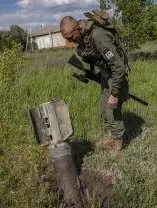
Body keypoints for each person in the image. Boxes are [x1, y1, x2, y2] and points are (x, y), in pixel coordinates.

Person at [60, 14, 129, 156]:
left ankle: (118, 143)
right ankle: (110, 136)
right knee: (104, 107)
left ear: (78, 28)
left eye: (71, 37)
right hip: (105, 73)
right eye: (66, 38)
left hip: (116, 74)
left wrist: (115, 93)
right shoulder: (83, 37)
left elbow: (118, 66)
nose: (70, 41)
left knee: (112, 108)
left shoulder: (99, 36)